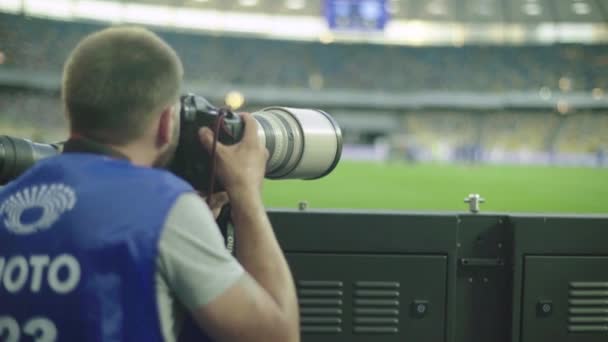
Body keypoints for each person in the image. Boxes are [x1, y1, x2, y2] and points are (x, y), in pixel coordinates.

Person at [0, 27, 299, 341]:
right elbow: (278, 335)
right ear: (166, 123)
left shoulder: (8, 201)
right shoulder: (165, 209)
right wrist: (247, 195)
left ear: (69, 109)